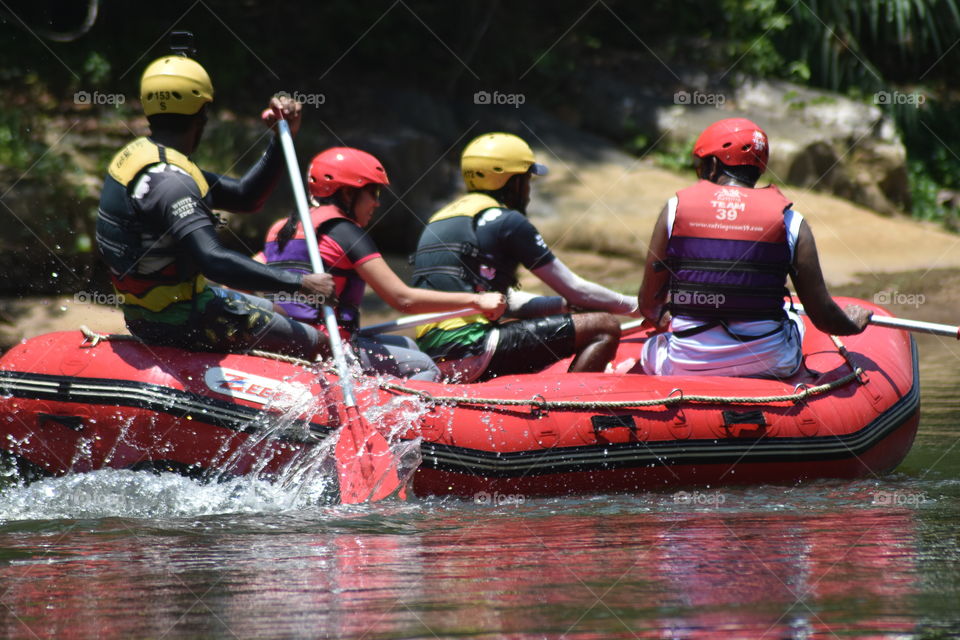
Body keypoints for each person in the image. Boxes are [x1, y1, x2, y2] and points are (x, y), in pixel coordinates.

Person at [96, 54, 334, 360]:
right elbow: (213, 260)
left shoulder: (143, 158)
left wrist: (280, 137)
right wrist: (300, 282)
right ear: (202, 113)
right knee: (318, 344)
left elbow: (246, 197)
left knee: (276, 309)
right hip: (181, 318)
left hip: (159, 307)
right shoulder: (172, 183)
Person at [636, 117, 873, 378]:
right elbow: (823, 317)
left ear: (712, 165)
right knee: (795, 321)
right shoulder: (791, 221)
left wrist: (671, 311)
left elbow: (649, 305)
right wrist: (853, 323)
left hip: (687, 364)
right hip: (770, 363)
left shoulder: (674, 210)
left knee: (650, 349)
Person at [260, 147, 506, 381]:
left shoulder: (278, 230)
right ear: (348, 193)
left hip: (292, 342)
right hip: (328, 347)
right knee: (423, 364)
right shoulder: (346, 232)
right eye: (374, 193)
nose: (377, 203)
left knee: (408, 344)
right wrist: (477, 301)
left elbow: (247, 278)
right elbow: (403, 300)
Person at [411, 132, 641, 382]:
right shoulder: (508, 222)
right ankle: (568, 408)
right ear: (511, 181)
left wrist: (561, 306)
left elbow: (500, 300)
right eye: (526, 179)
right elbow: (576, 289)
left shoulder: (440, 219)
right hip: (472, 348)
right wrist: (639, 307)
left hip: (434, 353)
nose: (528, 191)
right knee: (604, 327)